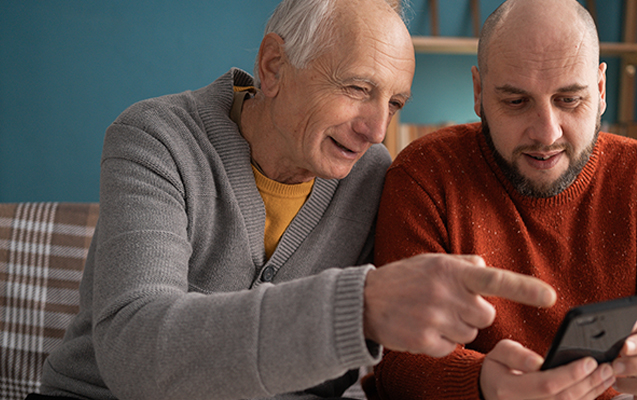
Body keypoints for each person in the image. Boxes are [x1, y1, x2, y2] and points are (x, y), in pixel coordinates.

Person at [31, 1, 556, 399]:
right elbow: (135, 348)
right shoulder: (156, 137)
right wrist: (359, 309)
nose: (377, 130)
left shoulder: (371, 175)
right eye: (356, 87)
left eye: (394, 103)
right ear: (274, 66)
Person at [362, 0, 637, 399]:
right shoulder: (425, 175)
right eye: (516, 101)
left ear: (600, 89)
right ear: (479, 92)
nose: (547, 133)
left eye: (569, 99)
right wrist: (484, 385)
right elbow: (395, 362)